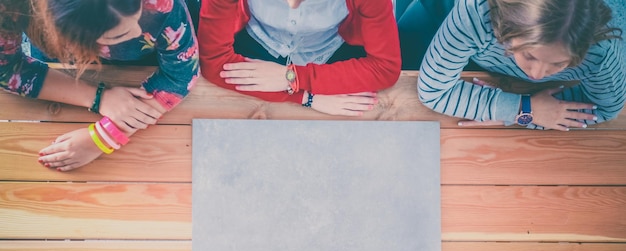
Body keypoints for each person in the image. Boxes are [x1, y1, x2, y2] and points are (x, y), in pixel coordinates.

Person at [0, 0, 199, 171]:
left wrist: (103, 137)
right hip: (59, 67)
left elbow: (181, 73)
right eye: (117, 36)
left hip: (140, 67)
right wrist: (97, 96)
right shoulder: (9, 7)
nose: (139, 31)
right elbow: (7, 71)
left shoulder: (161, 5)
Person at [417, 0, 626, 130]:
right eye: (530, 56)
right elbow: (433, 90)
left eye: (559, 63)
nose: (538, 74)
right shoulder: (477, 11)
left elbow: (607, 108)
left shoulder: (601, 50)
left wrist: (517, 115)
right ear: (507, 28)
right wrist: (522, 109)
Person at [197, 0, 402, 117]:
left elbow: (385, 68)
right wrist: (306, 96)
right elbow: (214, 62)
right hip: (256, 43)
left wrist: (293, 78)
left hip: (332, 50)